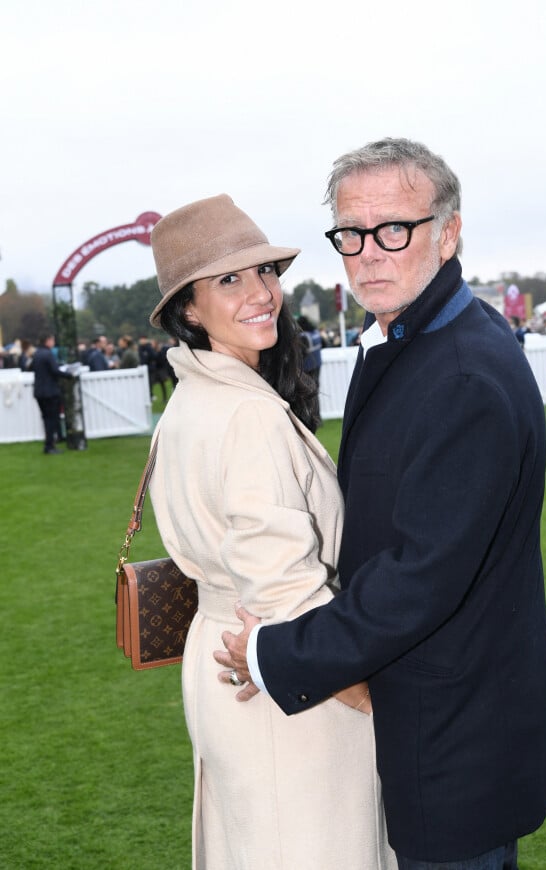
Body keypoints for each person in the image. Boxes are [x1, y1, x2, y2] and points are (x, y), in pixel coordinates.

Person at [215, 138, 546, 869]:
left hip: (455, 733)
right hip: (446, 715)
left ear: (448, 233)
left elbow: (419, 577)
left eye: (393, 229)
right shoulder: (413, 341)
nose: (367, 253)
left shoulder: (463, 371)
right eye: (350, 233)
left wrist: (273, 653)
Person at [146, 194, 394, 870]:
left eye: (265, 272)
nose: (261, 293)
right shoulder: (245, 416)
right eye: (229, 279)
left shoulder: (194, 400)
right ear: (188, 310)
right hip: (288, 687)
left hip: (228, 664)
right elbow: (285, 589)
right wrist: (370, 697)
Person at [30, 334, 73, 454]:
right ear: (48, 341)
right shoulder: (48, 354)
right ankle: (50, 446)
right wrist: (69, 375)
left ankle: (49, 444)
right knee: (52, 419)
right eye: (52, 340)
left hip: (39, 391)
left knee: (46, 419)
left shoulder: (37, 353)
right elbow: (55, 370)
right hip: (50, 392)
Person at [296, 314, 323, 421]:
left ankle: (312, 417)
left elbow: (302, 353)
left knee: (308, 393)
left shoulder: (303, 336)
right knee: (315, 391)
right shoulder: (315, 333)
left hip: (308, 367)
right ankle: (318, 416)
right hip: (318, 364)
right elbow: (324, 344)